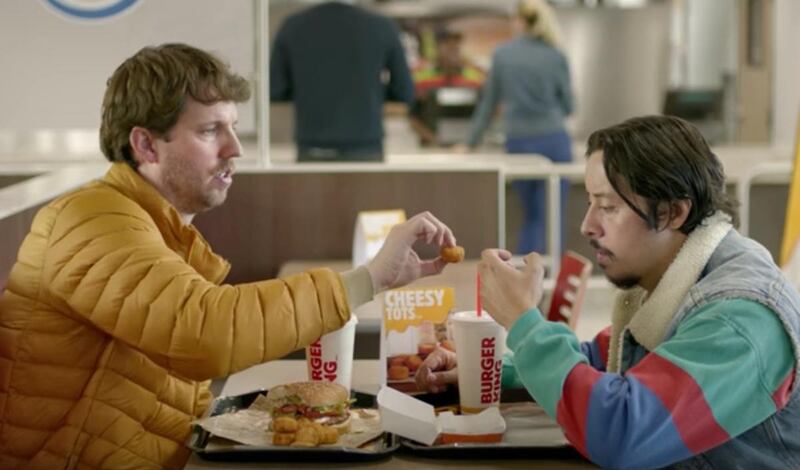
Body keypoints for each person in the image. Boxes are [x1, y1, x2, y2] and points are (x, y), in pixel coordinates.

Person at [0, 43, 458, 469]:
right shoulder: (92, 220)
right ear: (145, 145)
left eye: (233, 128)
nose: (234, 149)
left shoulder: (157, 227)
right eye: (209, 130)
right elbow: (203, 332)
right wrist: (368, 279)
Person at [418, 115, 800, 468]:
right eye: (590, 203)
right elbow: (601, 361)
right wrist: (491, 371)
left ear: (672, 213)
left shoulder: (741, 320)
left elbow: (620, 432)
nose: (587, 225)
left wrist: (524, 322)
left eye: (608, 207)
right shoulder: (671, 281)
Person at [461, 0, 574, 254]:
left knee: (531, 215)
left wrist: (470, 143)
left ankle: (527, 275)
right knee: (553, 215)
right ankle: (552, 277)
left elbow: (488, 105)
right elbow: (568, 106)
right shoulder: (555, 55)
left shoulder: (503, 55)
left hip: (519, 141)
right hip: (554, 139)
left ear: (520, 21)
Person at [270, 1, 414, 162]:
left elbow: (275, 90)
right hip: (365, 146)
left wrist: (308, 89)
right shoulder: (382, 25)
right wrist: (370, 90)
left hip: (312, 146)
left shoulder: (292, 25)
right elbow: (404, 92)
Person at [409, 28, 485, 147]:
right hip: (431, 149)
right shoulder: (422, 79)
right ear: (437, 48)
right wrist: (433, 140)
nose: (453, 49)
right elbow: (412, 117)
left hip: (467, 148)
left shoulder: (475, 78)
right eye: (447, 44)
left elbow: (489, 111)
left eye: (456, 45)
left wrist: (471, 140)